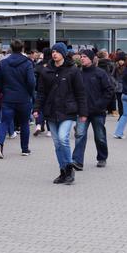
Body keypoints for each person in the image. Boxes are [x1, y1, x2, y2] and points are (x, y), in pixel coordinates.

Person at [33, 42, 87, 185]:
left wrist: (83, 112)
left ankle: (70, 169)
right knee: (57, 144)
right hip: (51, 111)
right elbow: (41, 93)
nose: (54, 54)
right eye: (53, 52)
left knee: (63, 138)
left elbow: (80, 92)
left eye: (57, 51)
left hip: (68, 111)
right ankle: (63, 171)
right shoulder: (46, 70)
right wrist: (36, 109)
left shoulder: (72, 70)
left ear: (63, 53)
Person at [72, 50, 114, 169]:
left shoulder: (100, 73)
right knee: (80, 135)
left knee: (100, 136)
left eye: (84, 56)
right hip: (82, 112)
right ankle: (77, 161)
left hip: (98, 112)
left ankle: (102, 158)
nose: (82, 58)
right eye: (81, 57)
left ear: (91, 58)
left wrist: (100, 104)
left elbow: (109, 90)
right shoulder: (78, 74)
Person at [0, 40, 35, 159]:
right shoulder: (27, 63)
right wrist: (30, 93)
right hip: (24, 98)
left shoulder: (4, 63)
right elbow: (31, 82)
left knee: (4, 122)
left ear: (10, 48)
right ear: (22, 49)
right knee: (24, 123)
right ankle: (25, 149)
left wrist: (3, 90)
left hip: (8, 97)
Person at [33, 48, 52, 136]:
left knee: (39, 107)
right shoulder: (52, 64)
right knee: (50, 108)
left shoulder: (39, 64)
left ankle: (38, 125)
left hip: (39, 89)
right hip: (51, 90)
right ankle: (49, 130)